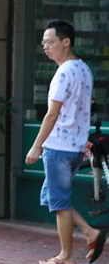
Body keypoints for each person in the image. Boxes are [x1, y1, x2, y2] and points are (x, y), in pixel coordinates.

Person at [25, 20, 106, 264]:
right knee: (52, 197)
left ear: (66, 41)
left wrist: (36, 145)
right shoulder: (84, 69)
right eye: (43, 43)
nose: (45, 48)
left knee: (59, 203)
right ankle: (91, 232)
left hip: (59, 146)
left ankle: (66, 256)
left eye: (50, 42)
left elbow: (52, 113)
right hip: (75, 146)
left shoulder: (63, 73)